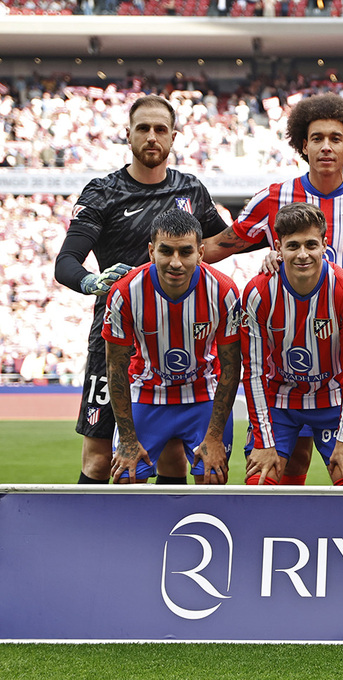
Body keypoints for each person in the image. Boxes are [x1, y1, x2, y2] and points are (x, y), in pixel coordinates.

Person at [203, 93, 343, 485]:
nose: (326, 146)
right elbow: (219, 246)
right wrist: (155, 256)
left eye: (335, 138)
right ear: (303, 144)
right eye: (317, 138)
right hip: (285, 357)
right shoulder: (274, 198)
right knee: (289, 463)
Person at [54, 94, 229, 484]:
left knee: (172, 457)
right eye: (143, 128)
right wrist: (91, 281)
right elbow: (66, 262)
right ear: (128, 134)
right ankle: (93, 527)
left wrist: (271, 248)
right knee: (101, 458)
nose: (152, 136)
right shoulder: (103, 192)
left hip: (177, 339)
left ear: (173, 137)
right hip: (115, 338)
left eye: (160, 129)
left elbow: (221, 244)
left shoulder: (191, 189)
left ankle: (167, 527)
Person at [103, 210, 240, 484]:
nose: (175, 262)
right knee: (126, 478)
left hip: (203, 395)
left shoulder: (223, 291)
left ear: (200, 253)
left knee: (212, 478)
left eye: (185, 252)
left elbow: (231, 366)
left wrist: (214, 436)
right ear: (151, 252)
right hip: (146, 393)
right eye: (166, 251)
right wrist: (127, 439)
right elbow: (115, 366)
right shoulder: (125, 292)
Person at [240, 203, 343, 486]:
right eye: (293, 246)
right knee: (259, 482)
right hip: (279, 400)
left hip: (332, 398)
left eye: (311, 244)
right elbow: (253, 371)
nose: (302, 254)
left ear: (324, 244)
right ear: (278, 247)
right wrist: (263, 441)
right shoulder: (258, 292)